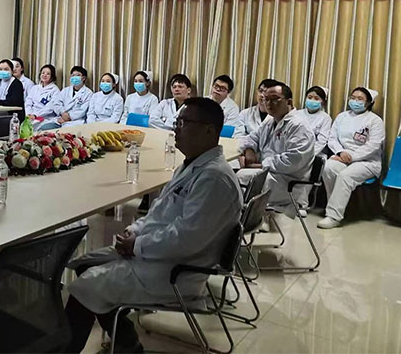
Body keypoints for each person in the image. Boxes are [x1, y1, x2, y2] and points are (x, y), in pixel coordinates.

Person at [64, 98, 242, 353]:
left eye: (184, 123)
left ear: (209, 130)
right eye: (177, 122)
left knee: (85, 288)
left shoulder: (214, 178)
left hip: (177, 271)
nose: (176, 128)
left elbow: (187, 239)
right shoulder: (192, 165)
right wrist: (135, 231)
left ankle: (72, 348)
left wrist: (137, 245)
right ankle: (126, 343)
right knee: (85, 265)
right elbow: (159, 213)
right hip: (161, 254)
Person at [236, 82, 315, 216]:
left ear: (289, 102)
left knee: (240, 177)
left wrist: (260, 165)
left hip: (287, 181)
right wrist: (249, 151)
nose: (269, 103)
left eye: (274, 99)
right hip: (271, 173)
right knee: (232, 170)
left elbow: (292, 161)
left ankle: (246, 218)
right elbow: (252, 138)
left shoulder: (299, 126)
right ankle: (249, 216)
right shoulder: (270, 120)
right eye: (266, 99)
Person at [318, 87, 385, 229]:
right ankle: (334, 206)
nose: (355, 101)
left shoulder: (375, 121)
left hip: (367, 161)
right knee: (328, 168)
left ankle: (334, 216)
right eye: (353, 97)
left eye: (360, 99)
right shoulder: (342, 117)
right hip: (342, 156)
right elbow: (332, 138)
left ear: (369, 103)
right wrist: (340, 152)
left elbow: (373, 146)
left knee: (345, 176)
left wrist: (351, 157)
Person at [38, 66, 92, 130]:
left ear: (83, 78)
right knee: (43, 129)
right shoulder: (65, 90)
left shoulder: (88, 93)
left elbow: (82, 111)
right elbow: (57, 103)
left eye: (78, 75)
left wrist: (68, 117)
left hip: (75, 122)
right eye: (73, 75)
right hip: (60, 119)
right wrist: (62, 113)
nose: (75, 77)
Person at [24, 64, 61, 129]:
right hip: (31, 116)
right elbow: (28, 102)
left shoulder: (55, 90)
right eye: (43, 73)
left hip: (46, 117)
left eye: (48, 74)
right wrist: (29, 114)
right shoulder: (35, 88)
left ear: (52, 76)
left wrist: (35, 115)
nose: (45, 75)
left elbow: (50, 108)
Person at [298, 86, 332, 156]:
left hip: (315, 153)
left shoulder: (326, 118)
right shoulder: (297, 114)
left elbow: (321, 141)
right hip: (295, 150)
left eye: (316, 98)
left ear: (323, 102)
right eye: (309, 97)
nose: (312, 100)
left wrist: (307, 155)